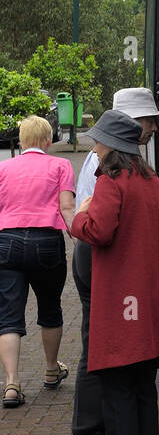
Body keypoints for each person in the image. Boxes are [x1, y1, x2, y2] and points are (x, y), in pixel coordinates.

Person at [71, 111, 159, 435]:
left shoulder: (110, 182)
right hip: (150, 305)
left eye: (99, 141)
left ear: (112, 147)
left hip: (123, 305)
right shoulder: (153, 182)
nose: (94, 146)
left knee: (117, 392)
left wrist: (77, 215)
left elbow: (98, 231)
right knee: (142, 392)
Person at [67, 88, 159, 435]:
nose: (153, 126)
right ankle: (89, 430)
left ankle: (95, 427)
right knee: (99, 342)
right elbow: (97, 223)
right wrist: (78, 220)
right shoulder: (111, 164)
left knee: (102, 340)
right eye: (148, 119)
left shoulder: (120, 162)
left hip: (99, 251)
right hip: (96, 254)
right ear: (131, 124)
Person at [0, 116, 75, 407]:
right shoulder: (60, 165)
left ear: (21, 140)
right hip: (46, 243)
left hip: (7, 242)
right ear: (48, 140)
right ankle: (50, 370)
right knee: (50, 307)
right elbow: (67, 206)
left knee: (8, 315)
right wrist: (80, 236)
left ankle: (11, 384)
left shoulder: (4, 168)